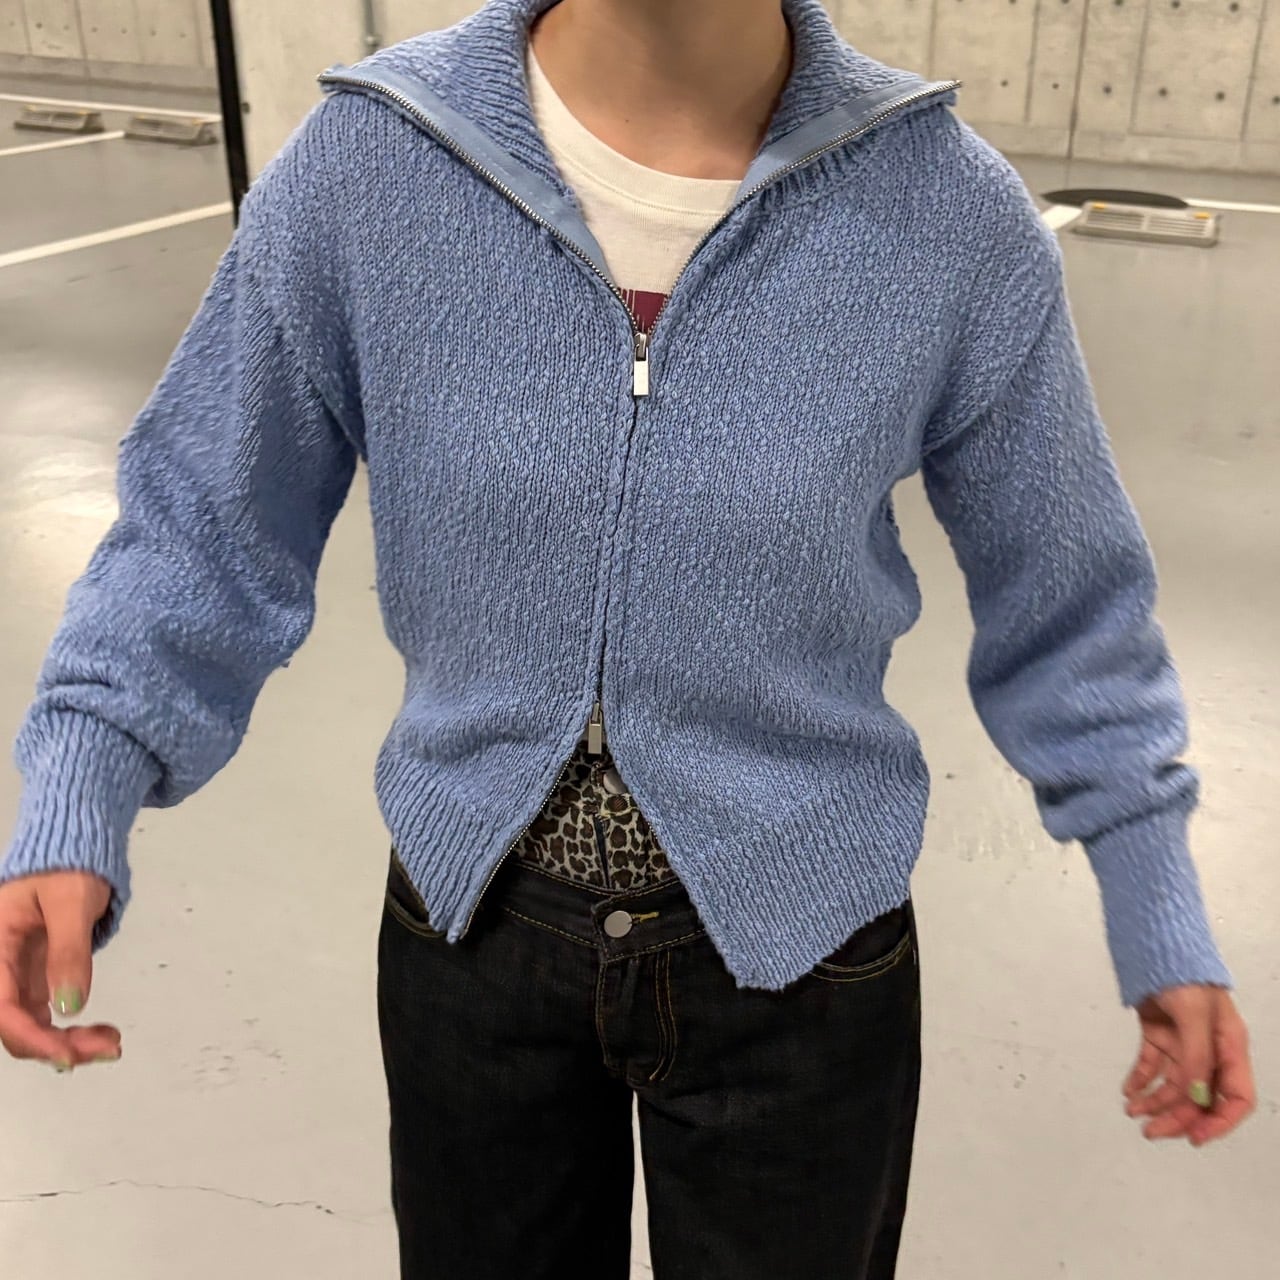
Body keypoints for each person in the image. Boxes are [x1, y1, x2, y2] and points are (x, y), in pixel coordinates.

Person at [0, 0, 1256, 1275]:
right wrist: (83, 781)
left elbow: (1067, 595)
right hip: (473, 927)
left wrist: (1149, 883)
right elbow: (202, 523)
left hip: (805, 941)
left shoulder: (944, 212)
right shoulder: (372, 166)